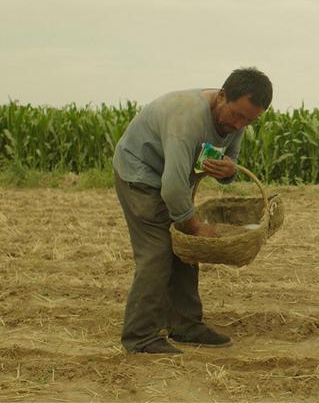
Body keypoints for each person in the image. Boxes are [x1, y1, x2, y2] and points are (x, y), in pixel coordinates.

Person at [113, 67, 273, 354]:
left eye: (249, 121)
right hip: (139, 174)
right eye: (237, 116)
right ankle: (140, 337)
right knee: (158, 253)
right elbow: (173, 189)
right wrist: (195, 225)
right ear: (222, 96)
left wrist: (228, 172)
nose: (239, 126)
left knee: (185, 251)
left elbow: (228, 165)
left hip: (170, 178)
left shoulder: (235, 123)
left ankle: (185, 325)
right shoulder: (186, 119)